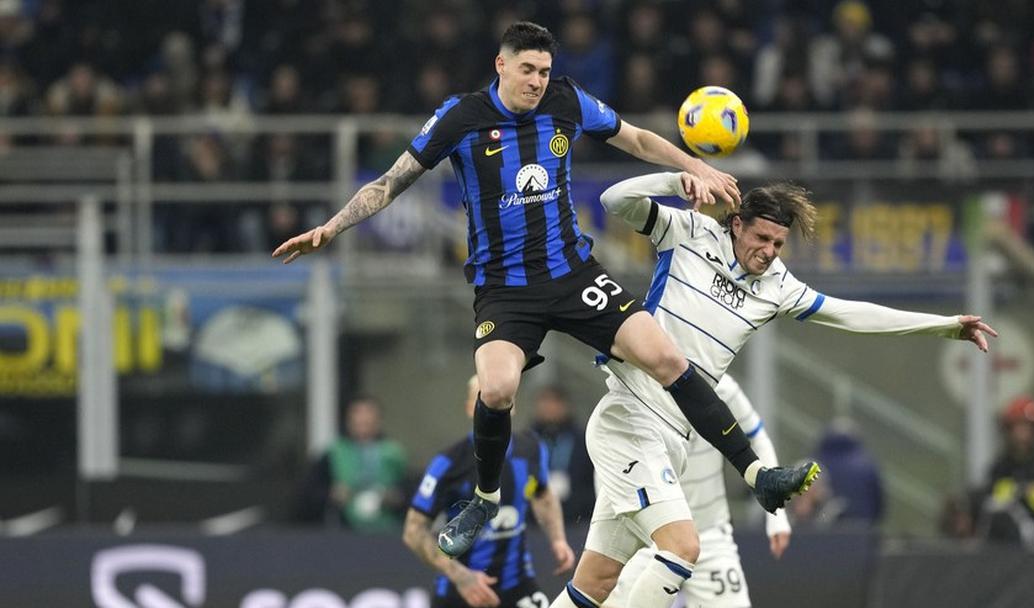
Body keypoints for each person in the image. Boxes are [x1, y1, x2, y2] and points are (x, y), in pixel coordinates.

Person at [272, 20, 815, 560]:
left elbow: (636, 138)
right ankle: (484, 500)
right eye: (527, 69)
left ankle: (758, 475)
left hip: (572, 273)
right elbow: (389, 182)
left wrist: (691, 163)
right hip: (504, 289)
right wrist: (332, 228)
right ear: (501, 65)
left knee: (667, 356)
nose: (536, 81)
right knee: (498, 389)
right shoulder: (460, 117)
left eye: (545, 71)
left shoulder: (566, 101)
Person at [498, 172, 995, 608]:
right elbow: (615, 200)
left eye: (778, 244)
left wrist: (944, 326)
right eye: (760, 238)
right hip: (629, 416)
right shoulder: (687, 231)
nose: (768, 251)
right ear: (736, 224)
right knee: (682, 547)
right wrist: (677, 176)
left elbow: (852, 314)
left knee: (591, 584)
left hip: (676, 436)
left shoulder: (779, 286)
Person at [570, 374, 790, 608]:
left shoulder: (722, 385)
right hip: (648, 534)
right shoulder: (634, 379)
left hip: (710, 532)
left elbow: (757, 437)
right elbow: (611, 453)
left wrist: (778, 516)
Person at [402, 376, 575, 608]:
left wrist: (558, 539)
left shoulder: (529, 448)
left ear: (512, 403)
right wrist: (461, 577)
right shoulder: (450, 462)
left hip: (515, 582)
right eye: (480, 399)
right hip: (460, 588)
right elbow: (413, 530)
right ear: (471, 407)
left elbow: (543, 494)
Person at [297, 396, 409, 533]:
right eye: (358, 420)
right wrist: (331, 495)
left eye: (368, 420)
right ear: (348, 422)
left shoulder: (393, 453)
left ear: (378, 421)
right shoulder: (334, 453)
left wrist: (396, 497)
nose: (363, 424)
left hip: (387, 532)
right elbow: (309, 494)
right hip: (346, 532)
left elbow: (410, 491)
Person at [971, 396, 1034, 544]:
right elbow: (984, 503)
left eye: (1029, 429)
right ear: (1008, 431)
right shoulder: (1000, 467)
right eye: (1018, 428)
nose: (1023, 436)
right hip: (1002, 546)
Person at [531, 385, 594, 525]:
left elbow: (590, 478)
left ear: (565, 405)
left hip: (577, 519)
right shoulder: (529, 439)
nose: (549, 407)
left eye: (555, 401)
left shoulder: (583, 438)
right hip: (535, 519)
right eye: (545, 401)